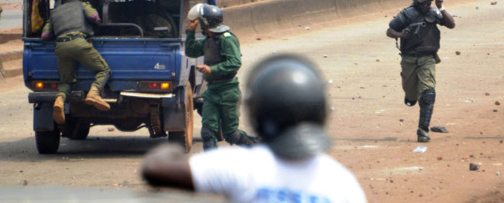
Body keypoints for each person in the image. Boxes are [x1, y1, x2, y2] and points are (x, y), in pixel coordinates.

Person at [140, 54, 368, 203]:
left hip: (223, 95)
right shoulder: (343, 184)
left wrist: (173, 146)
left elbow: (155, 168)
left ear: (255, 112)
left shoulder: (241, 166)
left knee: (230, 134)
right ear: (321, 114)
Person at [386, 0, 456, 143]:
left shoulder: (434, 13)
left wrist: (441, 7)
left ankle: (423, 130)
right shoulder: (406, 15)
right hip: (409, 59)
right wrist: (400, 34)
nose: (426, 6)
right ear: (416, 2)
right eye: (424, 3)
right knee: (411, 94)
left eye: (429, 3)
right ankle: (411, 96)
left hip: (428, 58)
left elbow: (451, 24)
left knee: (428, 94)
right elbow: (389, 30)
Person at [185, 4, 255, 150]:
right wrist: (190, 31)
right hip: (212, 92)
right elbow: (191, 51)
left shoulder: (227, 39)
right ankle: (211, 168)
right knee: (207, 132)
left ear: (205, 23)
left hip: (228, 91)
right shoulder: (208, 40)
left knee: (231, 134)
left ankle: (259, 148)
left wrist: (211, 69)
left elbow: (235, 63)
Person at [40, 0, 112, 124]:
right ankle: (93, 93)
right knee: (104, 70)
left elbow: (45, 35)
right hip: (79, 43)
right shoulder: (82, 5)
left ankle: (60, 100)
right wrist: (97, 23)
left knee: (66, 81)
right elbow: (94, 17)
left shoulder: (55, 12)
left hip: (61, 47)